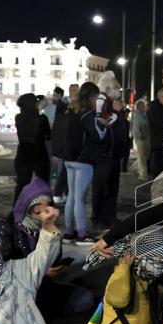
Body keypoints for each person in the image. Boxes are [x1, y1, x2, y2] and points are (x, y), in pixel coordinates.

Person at [0, 177, 93, 318]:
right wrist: (39, 271)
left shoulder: (46, 225)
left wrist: (52, 266)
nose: (43, 215)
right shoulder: (7, 229)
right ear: (26, 208)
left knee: (84, 298)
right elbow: (1, 271)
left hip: (42, 286)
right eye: (38, 212)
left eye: (47, 208)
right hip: (16, 290)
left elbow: (54, 258)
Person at [61, 82, 106, 245]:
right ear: (92, 96)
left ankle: (69, 232)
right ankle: (81, 235)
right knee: (80, 198)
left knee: (71, 197)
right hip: (84, 160)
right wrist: (103, 126)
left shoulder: (71, 110)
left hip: (69, 159)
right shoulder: (87, 113)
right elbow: (98, 136)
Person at [14, 92, 52, 202]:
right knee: (43, 184)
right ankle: (44, 208)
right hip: (39, 154)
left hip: (23, 154)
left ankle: (17, 209)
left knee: (22, 185)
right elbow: (48, 135)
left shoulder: (18, 118)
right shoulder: (42, 119)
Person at [131, 97, 150, 181]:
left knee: (144, 156)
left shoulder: (143, 115)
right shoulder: (137, 115)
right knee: (142, 157)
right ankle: (143, 175)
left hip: (145, 137)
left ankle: (134, 168)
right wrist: (139, 136)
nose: (145, 107)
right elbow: (136, 127)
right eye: (143, 105)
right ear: (139, 106)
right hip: (140, 138)